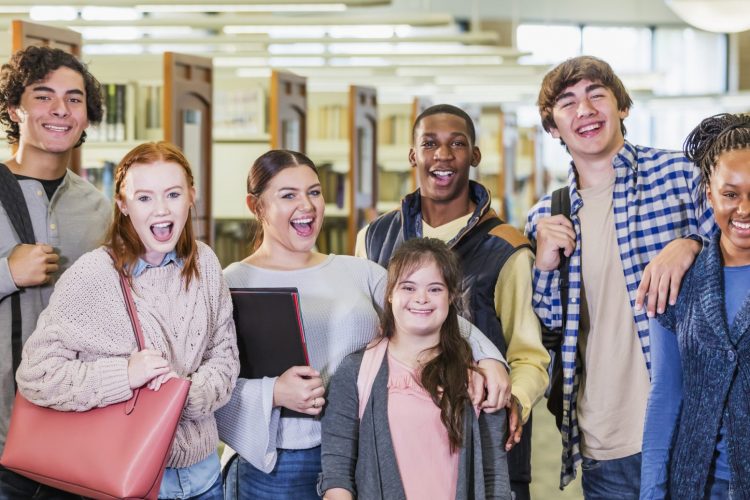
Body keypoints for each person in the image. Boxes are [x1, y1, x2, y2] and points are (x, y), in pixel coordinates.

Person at [215, 149, 511, 499]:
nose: (307, 205)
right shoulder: (231, 283)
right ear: (256, 206)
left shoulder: (358, 271)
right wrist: (272, 392)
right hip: (276, 464)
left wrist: (490, 358)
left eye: (314, 192)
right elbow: (208, 386)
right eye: (288, 195)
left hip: (359, 451)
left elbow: (423, 307)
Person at [525, 55, 716, 496]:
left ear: (622, 107)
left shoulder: (681, 177)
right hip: (603, 437)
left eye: (597, 95)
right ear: (553, 127)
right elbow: (547, 329)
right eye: (568, 102)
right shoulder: (546, 216)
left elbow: (738, 265)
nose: (585, 110)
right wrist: (543, 267)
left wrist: (693, 246)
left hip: (690, 424)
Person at [15, 141, 240, 500]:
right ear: (122, 203)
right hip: (124, 478)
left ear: (191, 196)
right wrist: (125, 375)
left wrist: (181, 396)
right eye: (144, 197)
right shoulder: (93, 276)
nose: (161, 209)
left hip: (204, 478)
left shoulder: (207, 264)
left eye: (173, 193)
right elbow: (36, 377)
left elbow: (225, 359)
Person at [355, 104, 549, 500]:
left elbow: (530, 356)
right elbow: (366, 339)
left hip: (477, 442)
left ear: (475, 156)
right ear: (412, 155)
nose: (442, 155)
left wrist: (513, 400)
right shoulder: (373, 238)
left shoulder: (507, 249)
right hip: (395, 443)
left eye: (456, 144)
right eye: (429, 143)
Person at [0, 46, 111, 498]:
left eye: (74, 98)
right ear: (14, 109)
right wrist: (7, 273)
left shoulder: (99, 208)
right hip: (2, 434)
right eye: (43, 96)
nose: (60, 110)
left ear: (87, 115)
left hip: (76, 435)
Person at [320, 237, 511, 500]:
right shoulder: (355, 372)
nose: (421, 299)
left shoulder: (478, 379)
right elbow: (337, 474)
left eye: (435, 289)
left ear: (451, 296)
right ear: (389, 294)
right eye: (408, 288)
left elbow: (494, 477)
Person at [640, 113, 750, 499]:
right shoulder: (677, 279)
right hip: (696, 484)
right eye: (730, 194)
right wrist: (651, 492)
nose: (744, 210)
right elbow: (666, 394)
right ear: (708, 192)